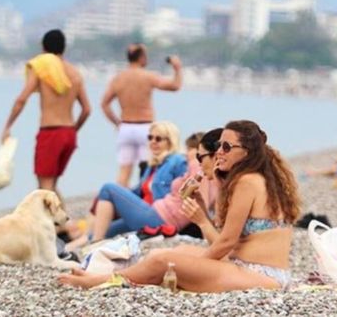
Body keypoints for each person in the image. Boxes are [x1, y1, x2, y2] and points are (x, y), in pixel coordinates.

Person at [61, 120, 301, 292]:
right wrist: (216, 181)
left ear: (247, 153)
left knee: (162, 261)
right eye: (219, 146)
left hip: (261, 275)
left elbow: (226, 242)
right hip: (247, 267)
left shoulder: (248, 182)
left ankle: (99, 281)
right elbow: (226, 236)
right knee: (166, 253)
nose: (220, 152)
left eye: (227, 147)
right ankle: (109, 277)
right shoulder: (252, 179)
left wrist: (202, 263)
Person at [1, 29, 91, 206]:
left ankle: (61, 229)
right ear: (63, 49)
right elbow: (87, 109)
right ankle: (63, 226)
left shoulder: (42, 67)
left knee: (45, 188)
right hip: (69, 134)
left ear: (43, 47)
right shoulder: (74, 72)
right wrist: (73, 130)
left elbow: (21, 99)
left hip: (50, 132)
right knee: (52, 187)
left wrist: (8, 126)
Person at [66, 121, 189, 250]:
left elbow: (184, 191)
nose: (153, 142)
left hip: (159, 217)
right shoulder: (153, 165)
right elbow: (136, 193)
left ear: (170, 141)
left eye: (158, 139)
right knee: (103, 229)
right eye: (150, 138)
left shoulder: (178, 161)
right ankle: (65, 250)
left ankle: (96, 244)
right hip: (142, 214)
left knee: (108, 189)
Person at [101, 43, 183, 187]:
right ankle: (142, 200)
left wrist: (117, 122)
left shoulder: (118, 78)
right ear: (141, 57)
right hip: (145, 128)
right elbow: (175, 86)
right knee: (147, 168)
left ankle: (119, 202)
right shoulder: (147, 76)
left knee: (124, 173)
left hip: (125, 127)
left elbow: (104, 104)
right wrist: (177, 68)